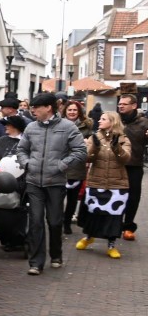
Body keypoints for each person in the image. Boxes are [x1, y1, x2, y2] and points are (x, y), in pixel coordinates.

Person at [16, 92, 87, 275]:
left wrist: (62, 165)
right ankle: (36, 263)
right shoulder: (31, 127)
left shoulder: (68, 127)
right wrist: (27, 163)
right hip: (33, 182)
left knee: (55, 222)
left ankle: (56, 254)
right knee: (36, 222)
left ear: (48, 108)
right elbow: (21, 149)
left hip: (55, 182)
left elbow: (80, 151)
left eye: (36, 108)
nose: (32, 111)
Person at [75, 111, 131, 258]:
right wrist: (94, 147)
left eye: (103, 119)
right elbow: (87, 158)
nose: (99, 121)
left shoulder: (123, 139)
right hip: (96, 182)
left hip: (117, 185)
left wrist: (116, 147)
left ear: (112, 122)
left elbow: (126, 159)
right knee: (93, 212)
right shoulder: (95, 137)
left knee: (114, 216)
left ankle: (111, 245)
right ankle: (89, 237)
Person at [116, 93, 148, 241]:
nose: (120, 106)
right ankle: (115, 225)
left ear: (134, 105)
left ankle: (128, 226)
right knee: (115, 195)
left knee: (133, 197)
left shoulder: (144, 123)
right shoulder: (114, 120)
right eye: (120, 104)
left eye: (124, 104)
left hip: (134, 165)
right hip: (116, 164)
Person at [62, 100, 94, 234]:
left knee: (72, 199)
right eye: (69, 110)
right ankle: (57, 221)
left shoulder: (86, 128)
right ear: (65, 111)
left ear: (79, 112)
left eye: (75, 110)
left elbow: (89, 147)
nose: (72, 112)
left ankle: (67, 222)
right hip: (60, 165)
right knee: (57, 198)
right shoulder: (58, 125)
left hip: (76, 166)